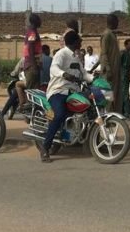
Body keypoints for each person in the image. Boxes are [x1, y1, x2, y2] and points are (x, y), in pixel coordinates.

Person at [39, 30, 92, 163]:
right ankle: (45, 148)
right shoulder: (61, 53)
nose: (81, 42)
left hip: (72, 91)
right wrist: (64, 74)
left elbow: (84, 74)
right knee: (59, 114)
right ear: (74, 42)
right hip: (58, 90)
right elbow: (54, 68)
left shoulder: (76, 56)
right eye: (79, 40)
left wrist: (94, 78)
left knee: (89, 106)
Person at [18, 13, 42, 109]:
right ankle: (29, 114)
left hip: (32, 65)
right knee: (32, 91)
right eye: (39, 20)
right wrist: (34, 66)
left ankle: (33, 113)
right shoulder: (32, 32)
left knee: (34, 91)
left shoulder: (32, 31)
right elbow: (30, 49)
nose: (41, 22)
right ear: (35, 21)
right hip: (32, 66)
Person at [99, 14, 122, 112]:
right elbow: (104, 54)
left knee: (115, 94)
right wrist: (108, 70)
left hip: (115, 70)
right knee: (108, 95)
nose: (118, 23)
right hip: (109, 72)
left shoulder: (112, 34)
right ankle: (106, 115)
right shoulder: (107, 34)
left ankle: (113, 116)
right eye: (117, 21)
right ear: (112, 22)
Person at [119, 39, 130, 116]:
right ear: (126, 45)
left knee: (125, 94)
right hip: (123, 76)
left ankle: (126, 111)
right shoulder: (123, 53)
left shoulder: (128, 53)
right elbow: (119, 64)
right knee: (125, 95)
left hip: (126, 76)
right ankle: (127, 112)